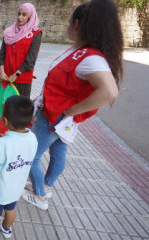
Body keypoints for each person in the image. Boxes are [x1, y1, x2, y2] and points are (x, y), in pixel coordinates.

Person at [21, 0, 123, 211]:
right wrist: (38, 100)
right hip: (55, 113)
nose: (66, 27)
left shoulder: (91, 58)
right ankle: (46, 186)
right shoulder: (79, 50)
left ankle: (40, 196)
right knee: (59, 152)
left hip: (54, 116)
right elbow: (58, 83)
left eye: (68, 23)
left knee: (31, 156)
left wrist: (73, 110)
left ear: (77, 24)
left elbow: (109, 91)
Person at [0, 95, 38, 240]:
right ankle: (6, 229)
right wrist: (6, 139)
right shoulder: (32, 138)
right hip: (16, 188)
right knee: (10, 209)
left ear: (5, 121)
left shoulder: (1, 144)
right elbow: (19, 149)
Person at [0, 3, 42, 97]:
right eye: (19, 14)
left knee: (19, 110)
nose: (20, 17)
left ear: (30, 17)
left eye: (24, 15)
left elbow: (31, 60)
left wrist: (16, 75)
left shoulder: (35, 34)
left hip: (22, 80)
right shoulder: (9, 32)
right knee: (1, 109)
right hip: (5, 77)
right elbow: (2, 54)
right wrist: (1, 71)